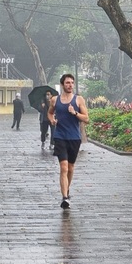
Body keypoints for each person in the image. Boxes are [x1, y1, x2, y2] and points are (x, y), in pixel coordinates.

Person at [48, 74, 89, 210]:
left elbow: (86, 118)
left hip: (74, 138)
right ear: (62, 85)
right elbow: (50, 113)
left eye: (72, 83)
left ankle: (67, 189)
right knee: (64, 167)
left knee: (70, 168)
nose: (70, 85)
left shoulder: (79, 100)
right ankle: (65, 197)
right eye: (67, 83)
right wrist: (52, 120)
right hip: (60, 137)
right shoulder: (55, 100)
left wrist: (75, 113)